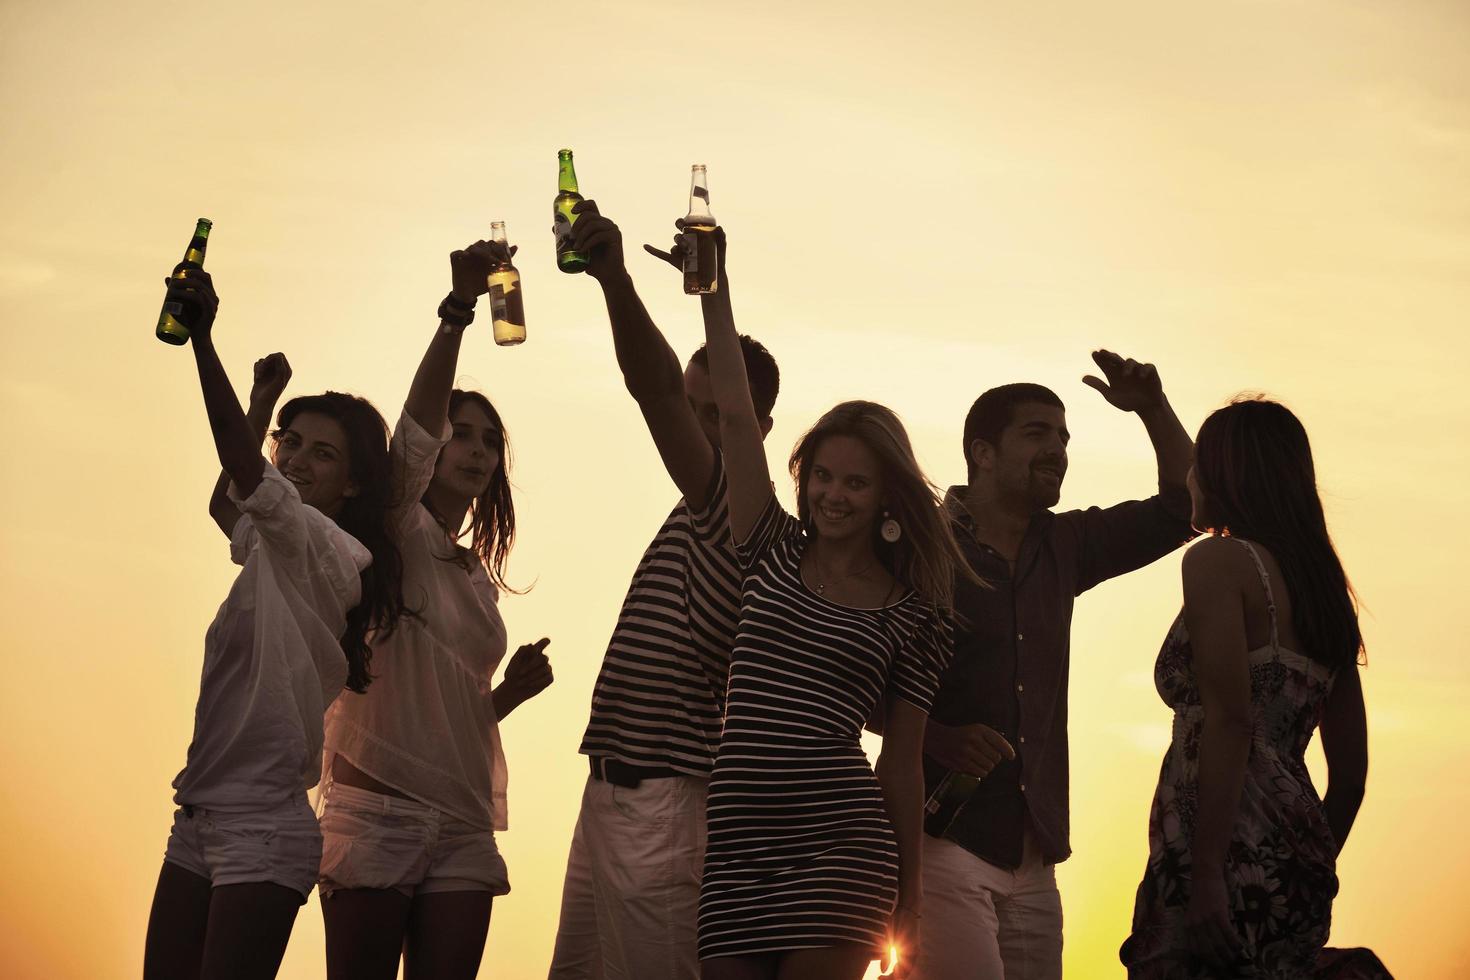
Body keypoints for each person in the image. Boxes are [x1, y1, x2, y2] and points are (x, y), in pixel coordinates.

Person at [691, 225, 965, 980]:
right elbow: (738, 417)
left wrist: (909, 899)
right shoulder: (769, 545)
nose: (832, 495)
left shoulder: (913, 615)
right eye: (822, 476)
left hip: (839, 851)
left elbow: (901, 764)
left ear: (887, 496)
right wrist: (715, 283)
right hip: (737, 847)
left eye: (855, 481)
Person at [143, 268, 404, 980]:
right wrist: (262, 404)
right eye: (289, 442)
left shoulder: (329, 549)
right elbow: (226, 505)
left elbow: (246, 474)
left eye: (322, 453)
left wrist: (202, 340)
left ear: (352, 484)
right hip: (194, 817)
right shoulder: (269, 537)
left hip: (264, 829)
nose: (294, 458)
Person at [545, 203, 781, 980]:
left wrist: (614, 279)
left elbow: (649, 390)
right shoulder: (694, 509)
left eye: (717, 414)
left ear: (759, 427)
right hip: (609, 791)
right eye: (694, 407)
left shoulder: (737, 512)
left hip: (672, 806)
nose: (698, 426)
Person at [317, 240, 554, 980]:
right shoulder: (395, 525)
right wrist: (458, 314)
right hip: (376, 814)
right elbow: (413, 434)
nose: (476, 450)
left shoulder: (476, 579)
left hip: (461, 820)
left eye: (491, 441)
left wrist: (507, 694)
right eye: (463, 434)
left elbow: (449, 709)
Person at [915, 363, 1195, 980]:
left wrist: (1152, 405)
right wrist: (937, 736)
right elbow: (856, 679)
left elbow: (1185, 507)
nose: (1058, 451)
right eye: (1038, 434)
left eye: (1065, 438)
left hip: (1036, 855)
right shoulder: (922, 547)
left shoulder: (1067, 544)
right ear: (980, 453)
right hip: (944, 843)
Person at [1120, 397, 1384, 979]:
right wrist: (1303, 864)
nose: (1190, 472)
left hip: (1213, 845)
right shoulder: (1324, 595)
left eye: (1201, 461)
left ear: (1226, 474)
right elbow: (1352, 775)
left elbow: (1231, 721)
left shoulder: (1218, 560)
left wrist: (1211, 873)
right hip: (1299, 855)